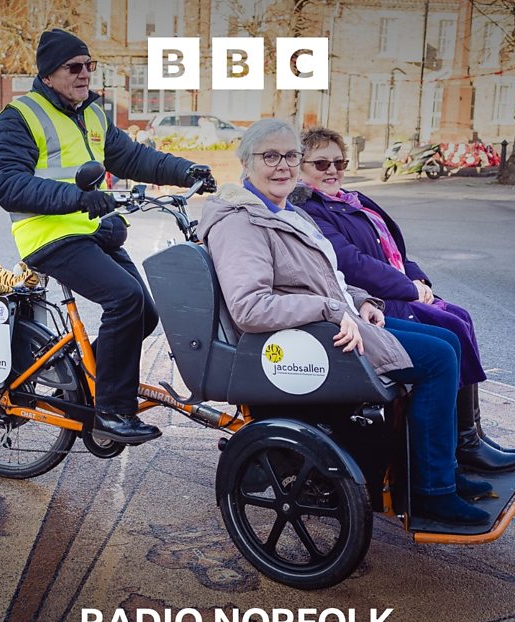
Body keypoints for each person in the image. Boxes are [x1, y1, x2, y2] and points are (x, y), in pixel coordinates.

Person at [198, 118, 493, 525]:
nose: (282, 165)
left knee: (448, 341)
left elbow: (325, 278)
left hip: (337, 321)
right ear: (246, 163)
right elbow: (250, 308)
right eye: (270, 156)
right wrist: (332, 309)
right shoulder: (241, 223)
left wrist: (362, 299)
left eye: (290, 156)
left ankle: (439, 473)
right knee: (439, 358)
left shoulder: (281, 210)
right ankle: (432, 492)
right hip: (310, 336)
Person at [0, 29, 215, 444]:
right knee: (124, 300)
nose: (85, 74)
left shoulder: (92, 113)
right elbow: (6, 184)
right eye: (74, 67)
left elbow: (131, 157)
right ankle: (111, 411)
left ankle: (82, 376)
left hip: (92, 230)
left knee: (145, 312)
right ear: (48, 75)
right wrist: (76, 197)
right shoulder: (19, 116)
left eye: (89, 65)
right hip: (48, 235)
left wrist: (186, 170)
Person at [295, 127, 515, 473]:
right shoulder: (314, 210)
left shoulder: (352, 199)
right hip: (377, 298)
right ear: (301, 167)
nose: (332, 170)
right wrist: (408, 288)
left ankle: (470, 431)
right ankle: (464, 443)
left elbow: (394, 248)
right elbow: (351, 262)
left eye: (339, 162)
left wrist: (417, 276)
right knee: (450, 328)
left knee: (461, 317)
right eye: (321, 163)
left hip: (397, 288)